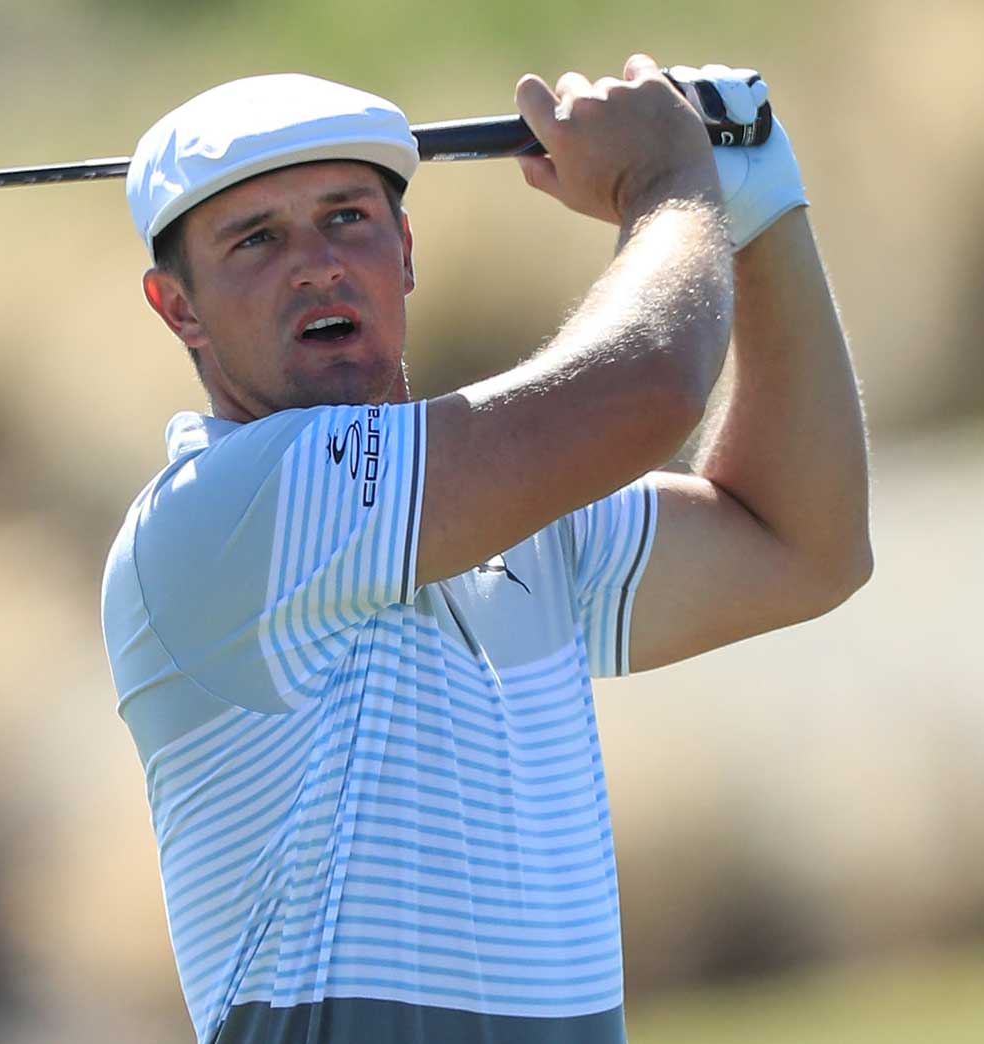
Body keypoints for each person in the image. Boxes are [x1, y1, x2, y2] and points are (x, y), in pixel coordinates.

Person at [101, 54, 871, 1044]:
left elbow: (800, 544)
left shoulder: (509, 519)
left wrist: (755, 205)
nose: (316, 263)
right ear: (179, 309)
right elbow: (645, 387)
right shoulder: (223, 513)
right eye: (254, 238)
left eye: (347, 217)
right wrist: (673, 185)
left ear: (405, 250)